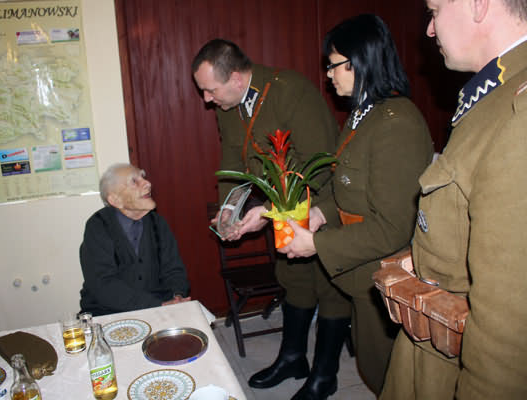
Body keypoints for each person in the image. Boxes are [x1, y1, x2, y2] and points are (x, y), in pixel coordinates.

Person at [279, 14, 434, 397]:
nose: (328, 75)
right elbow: (347, 189)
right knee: (370, 365)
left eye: (334, 65)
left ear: (361, 61)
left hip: (384, 273)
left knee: (387, 374)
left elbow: (393, 227)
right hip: (362, 268)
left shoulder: (396, 123)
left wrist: (317, 245)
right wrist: (320, 213)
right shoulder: (362, 115)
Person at [379, 1, 527, 399]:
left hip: (459, 361)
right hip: (432, 333)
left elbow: (508, 330)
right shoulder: (494, 92)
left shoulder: (520, 111)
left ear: (477, 5)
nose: (429, 30)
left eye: (435, 10)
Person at [192, 39, 353, 398]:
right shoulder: (228, 104)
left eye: (210, 90)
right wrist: (229, 208)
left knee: (330, 288)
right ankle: (293, 358)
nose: (206, 99)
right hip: (281, 208)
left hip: (323, 204)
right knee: (294, 279)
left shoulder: (290, 92)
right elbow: (232, 158)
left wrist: (268, 210)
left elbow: (320, 163)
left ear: (236, 78)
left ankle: (325, 375)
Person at [79, 163, 190, 316]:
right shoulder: (98, 226)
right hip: (108, 311)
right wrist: (157, 305)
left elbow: (174, 269)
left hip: (160, 304)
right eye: (134, 181)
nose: (148, 183)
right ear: (115, 200)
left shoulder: (158, 223)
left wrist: (177, 296)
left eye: (143, 177)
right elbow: (103, 284)